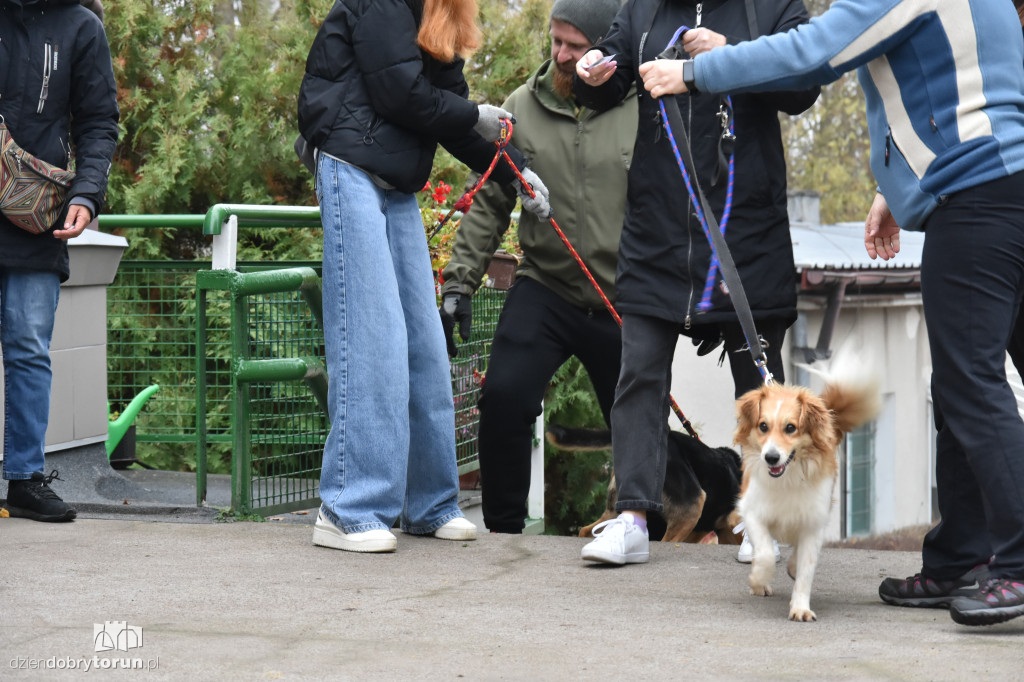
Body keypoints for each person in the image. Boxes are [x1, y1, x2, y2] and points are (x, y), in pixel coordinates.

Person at [630, 0, 1024, 626]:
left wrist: (696, 74)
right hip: (1001, 186)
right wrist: (893, 192)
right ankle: (958, 559)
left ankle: (1014, 564)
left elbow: (815, 51)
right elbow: (966, 92)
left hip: (976, 200)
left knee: (970, 384)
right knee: (957, 389)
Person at [296, 0, 551, 553]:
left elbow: (451, 111)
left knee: (424, 344)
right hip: (348, 166)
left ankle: (429, 502)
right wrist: (473, 115)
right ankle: (347, 507)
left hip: (396, 182)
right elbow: (403, 95)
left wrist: (517, 171)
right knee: (372, 341)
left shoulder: (439, 14)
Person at [571, 0, 818, 565]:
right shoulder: (643, 9)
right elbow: (609, 68)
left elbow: (805, 82)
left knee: (757, 388)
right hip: (657, 230)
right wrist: (595, 70)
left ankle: (763, 518)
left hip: (742, 232)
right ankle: (633, 517)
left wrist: (733, 58)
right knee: (638, 374)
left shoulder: (772, 8)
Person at [438, 0, 635, 535]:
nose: (563, 55)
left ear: (603, 47)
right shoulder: (520, 109)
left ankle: (645, 528)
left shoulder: (642, 109)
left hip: (621, 298)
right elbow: (490, 203)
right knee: (503, 397)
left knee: (636, 422)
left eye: (576, 46)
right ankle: (503, 530)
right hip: (546, 286)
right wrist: (459, 283)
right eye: (557, 42)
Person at [0, 0, 119, 522]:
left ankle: (25, 479)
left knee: (28, 347)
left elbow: (99, 122)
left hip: (36, 219)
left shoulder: (81, 26)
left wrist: (87, 194)